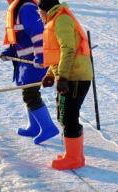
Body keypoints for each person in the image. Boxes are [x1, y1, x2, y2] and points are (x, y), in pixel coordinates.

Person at [37, 0, 93, 170]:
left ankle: (74, 158)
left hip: (75, 76)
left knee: (69, 116)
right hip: (69, 75)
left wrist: (62, 77)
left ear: (45, 10)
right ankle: (74, 154)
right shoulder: (56, 19)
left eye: (40, 13)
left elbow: (68, 49)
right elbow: (56, 54)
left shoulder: (61, 20)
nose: (40, 17)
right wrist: (50, 75)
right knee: (65, 114)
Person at [1, 0, 59, 144]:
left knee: (30, 94)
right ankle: (34, 127)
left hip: (36, 60)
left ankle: (48, 127)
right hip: (26, 61)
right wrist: (10, 52)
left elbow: (39, 34)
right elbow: (19, 37)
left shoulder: (27, 9)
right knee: (28, 92)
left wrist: (40, 57)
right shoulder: (19, 9)